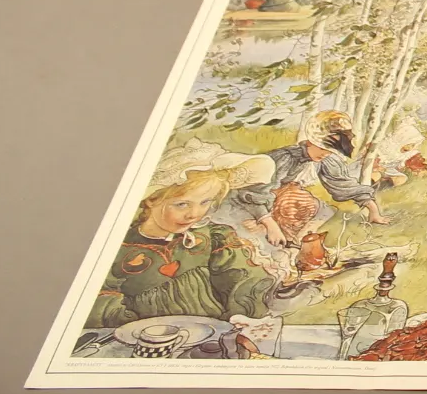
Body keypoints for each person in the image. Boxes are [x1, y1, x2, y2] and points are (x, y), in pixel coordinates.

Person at [87, 141, 280, 330]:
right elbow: (101, 300)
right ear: (151, 200)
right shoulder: (118, 247)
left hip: (212, 334)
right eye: (182, 204)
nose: (194, 214)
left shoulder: (213, 237)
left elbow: (242, 278)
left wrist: (239, 316)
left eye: (205, 202)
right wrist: (133, 327)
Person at [238, 111, 392, 249]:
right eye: (323, 149)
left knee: (323, 210)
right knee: (289, 209)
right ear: (310, 142)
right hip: (263, 203)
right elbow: (255, 192)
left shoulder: (325, 159)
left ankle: (296, 244)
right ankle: (274, 237)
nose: (325, 154)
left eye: (330, 151)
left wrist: (373, 210)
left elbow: (343, 185)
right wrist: (270, 224)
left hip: (291, 201)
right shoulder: (284, 158)